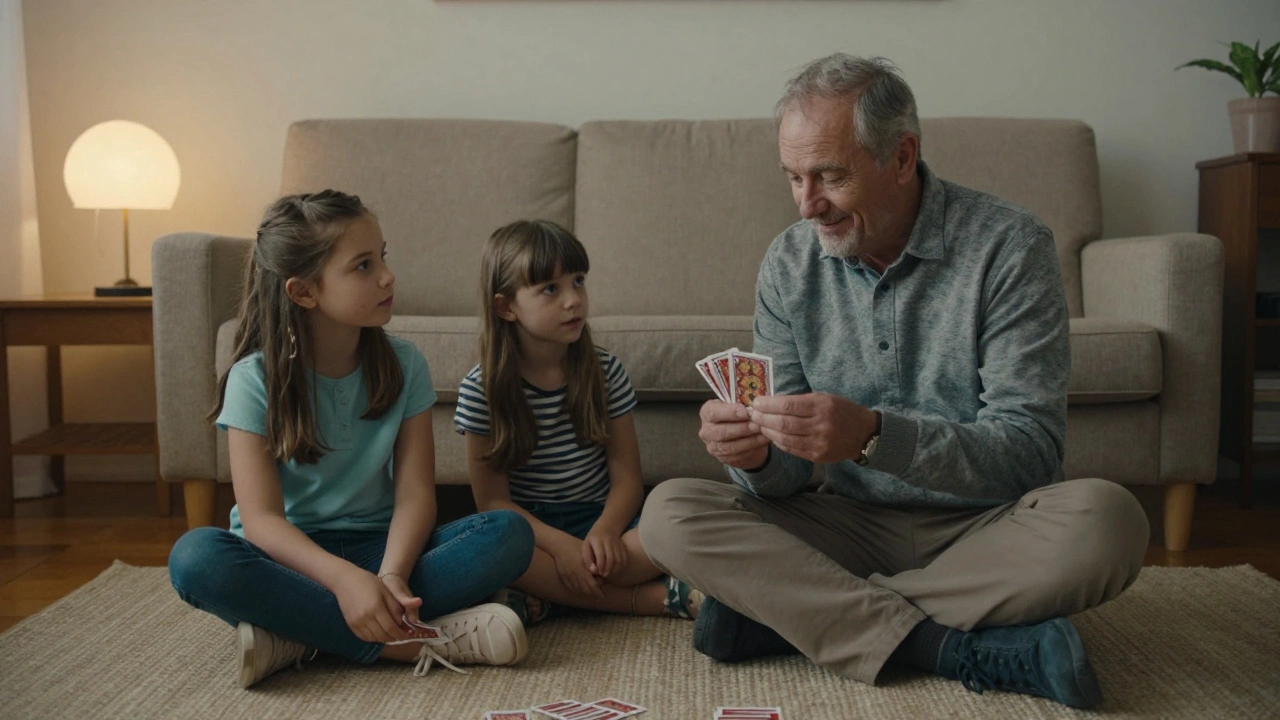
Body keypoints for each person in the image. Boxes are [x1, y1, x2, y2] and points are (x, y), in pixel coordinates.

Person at [638, 55, 1149, 710]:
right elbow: (788, 479)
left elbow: (1029, 455)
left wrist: (876, 437)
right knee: (671, 512)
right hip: (846, 526)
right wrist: (759, 455)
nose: (807, 203)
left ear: (902, 157)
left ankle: (790, 616)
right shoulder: (789, 265)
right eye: (793, 177)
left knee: (1109, 522)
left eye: (830, 176)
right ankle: (949, 646)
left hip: (985, 527)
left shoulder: (1010, 248)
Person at [167, 190, 535, 688]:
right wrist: (343, 581)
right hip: (287, 561)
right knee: (195, 558)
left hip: (382, 552)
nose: (387, 276)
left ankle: (296, 635)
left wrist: (388, 577)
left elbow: (413, 496)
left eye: (382, 257)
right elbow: (261, 521)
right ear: (303, 293)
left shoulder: (406, 365)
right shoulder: (253, 379)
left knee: (508, 535)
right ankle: (403, 643)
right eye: (362, 266)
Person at [456, 219, 703, 625]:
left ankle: (551, 597)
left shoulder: (605, 371)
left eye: (578, 281)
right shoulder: (480, 389)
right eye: (550, 289)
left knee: (672, 526)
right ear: (507, 307)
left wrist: (605, 531)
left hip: (602, 520)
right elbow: (493, 502)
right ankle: (660, 599)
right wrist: (561, 548)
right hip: (531, 531)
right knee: (491, 546)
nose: (573, 300)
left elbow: (626, 476)